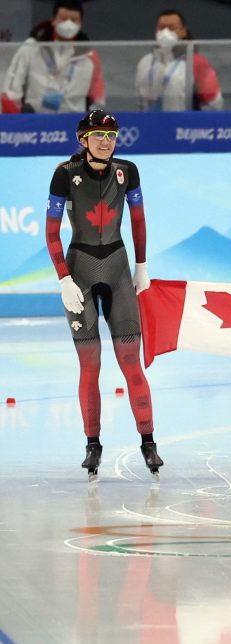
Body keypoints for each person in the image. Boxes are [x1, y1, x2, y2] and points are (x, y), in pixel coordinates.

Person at [46, 110, 162, 480]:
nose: (106, 141)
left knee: (132, 363)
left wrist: (141, 267)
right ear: (83, 140)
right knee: (90, 365)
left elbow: (139, 221)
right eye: (98, 134)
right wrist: (64, 279)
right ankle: (92, 444)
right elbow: (51, 234)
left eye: (111, 135)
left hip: (117, 268)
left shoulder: (129, 170)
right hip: (79, 270)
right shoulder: (65, 173)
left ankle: (149, 442)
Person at [1, 1, 105, 114]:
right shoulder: (31, 48)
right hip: (36, 123)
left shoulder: (89, 55)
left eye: (74, 20)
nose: (68, 24)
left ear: (80, 24)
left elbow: (97, 99)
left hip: (74, 124)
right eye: (63, 19)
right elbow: (9, 94)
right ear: (54, 20)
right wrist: (21, 123)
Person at [134, 9, 224, 112]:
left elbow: (214, 103)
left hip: (184, 125)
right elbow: (140, 103)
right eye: (161, 28)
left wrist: (200, 126)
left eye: (171, 28)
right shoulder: (145, 63)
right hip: (150, 124)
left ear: (183, 31)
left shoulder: (196, 62)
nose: (165, 32)